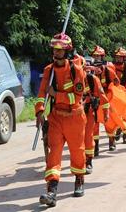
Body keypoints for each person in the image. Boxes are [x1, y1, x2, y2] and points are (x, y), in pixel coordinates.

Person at [35, 33, 87, 207]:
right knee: (54, 153)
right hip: (56, 117)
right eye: (55, 49)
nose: (57, 53)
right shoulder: (48, 70)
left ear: (67, 51)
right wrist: (39, 111)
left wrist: (56, 94)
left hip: (74, 117)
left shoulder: (76, 70)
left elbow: (77, 96)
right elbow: (42, 93)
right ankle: (52, 191)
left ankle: (79, 179)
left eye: (60, 50)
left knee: (77, 151)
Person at [83, 63, 109, 174]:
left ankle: (88, 161)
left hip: (89, 111)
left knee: (88, 136)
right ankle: (79, 161)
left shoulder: (93, 79)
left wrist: (106, 113)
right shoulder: (69, 77)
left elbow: (103, 97)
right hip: (73, 113)